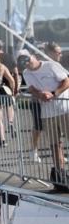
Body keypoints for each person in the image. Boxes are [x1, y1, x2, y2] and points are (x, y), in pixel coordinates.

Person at [22, 45, 69, 190]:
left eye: (27, 59)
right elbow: (31, 89)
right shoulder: (25, 73)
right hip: (47, 114)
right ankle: (61, 178)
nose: (26, 63)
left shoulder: (51, 65)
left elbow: (66, 81)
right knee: (55, 145)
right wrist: (40, 95)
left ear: (34, 56)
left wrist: (53, 93)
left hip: (65, 110)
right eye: (22, 61)